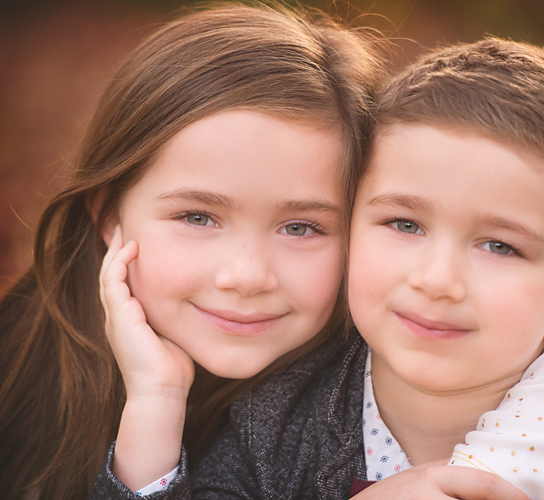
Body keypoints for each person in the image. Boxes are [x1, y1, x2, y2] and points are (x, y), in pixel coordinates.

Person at [91, 37, 544, 500]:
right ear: (350, 231)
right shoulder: (271, 427)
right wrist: (155, 404)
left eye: (500, 247)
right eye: (405, 225)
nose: (437, 280)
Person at [0, 4, 384, 499]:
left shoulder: (372, 417)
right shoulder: (19, 368)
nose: (246, 276)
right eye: (198, 217)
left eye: (300, 227)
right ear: (110, 215)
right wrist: (155, 398)